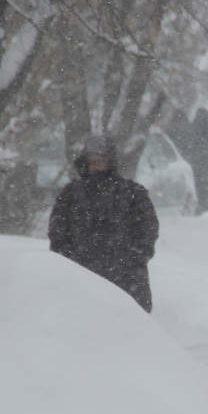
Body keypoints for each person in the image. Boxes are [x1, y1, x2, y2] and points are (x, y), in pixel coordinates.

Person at [48, 133, 160, 312]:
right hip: (81, 276)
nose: (95, 166)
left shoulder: (132, 194)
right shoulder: (70, 195)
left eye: (100, 161)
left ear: (110, 162)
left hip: (126, 279)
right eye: (91, 162)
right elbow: (58, 232)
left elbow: (147, 230)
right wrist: (69, 260)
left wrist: (133, 258)